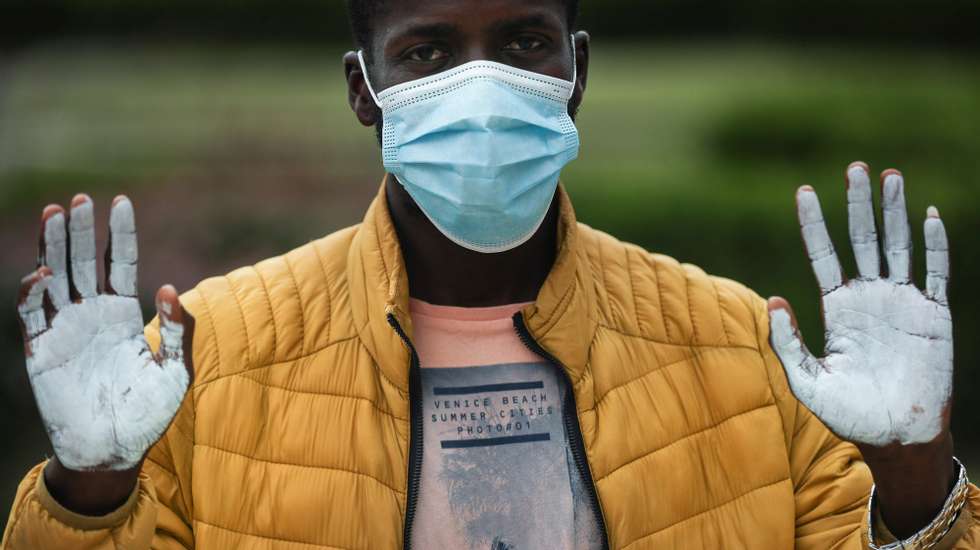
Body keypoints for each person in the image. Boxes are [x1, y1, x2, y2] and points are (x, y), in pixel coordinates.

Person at [2, 0, 977, 548]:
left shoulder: (736, 346)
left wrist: (912, 479)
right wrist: (90, 490)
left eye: (521, 43)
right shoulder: (204, 359)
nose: (483, 86)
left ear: (574, 73)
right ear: (363, 90)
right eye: (426, 51)